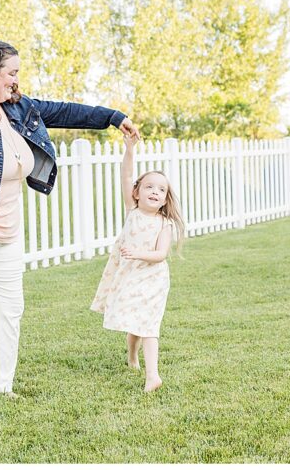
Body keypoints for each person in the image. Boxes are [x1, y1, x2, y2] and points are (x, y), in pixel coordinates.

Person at [0, 38, 139, 404]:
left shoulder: (18, 109)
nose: (16, 81)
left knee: (10, 309)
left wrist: (113, 117)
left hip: (6, 231)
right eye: (11, 73)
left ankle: (2, 387)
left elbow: (66, 112)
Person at [90, 131, 185, 392]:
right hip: (129, 276)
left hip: (153, 279)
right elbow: (126, 174)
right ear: (136, 193)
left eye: (161, 190)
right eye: (150, 187)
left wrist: (137, 253)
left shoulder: (163, 223)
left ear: (165, 199)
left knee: (148, 324)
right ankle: (132, 356)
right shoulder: (132, 210)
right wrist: (130, 149)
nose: (155, 192)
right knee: (135, 322)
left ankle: (153, 376)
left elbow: (160, 255)